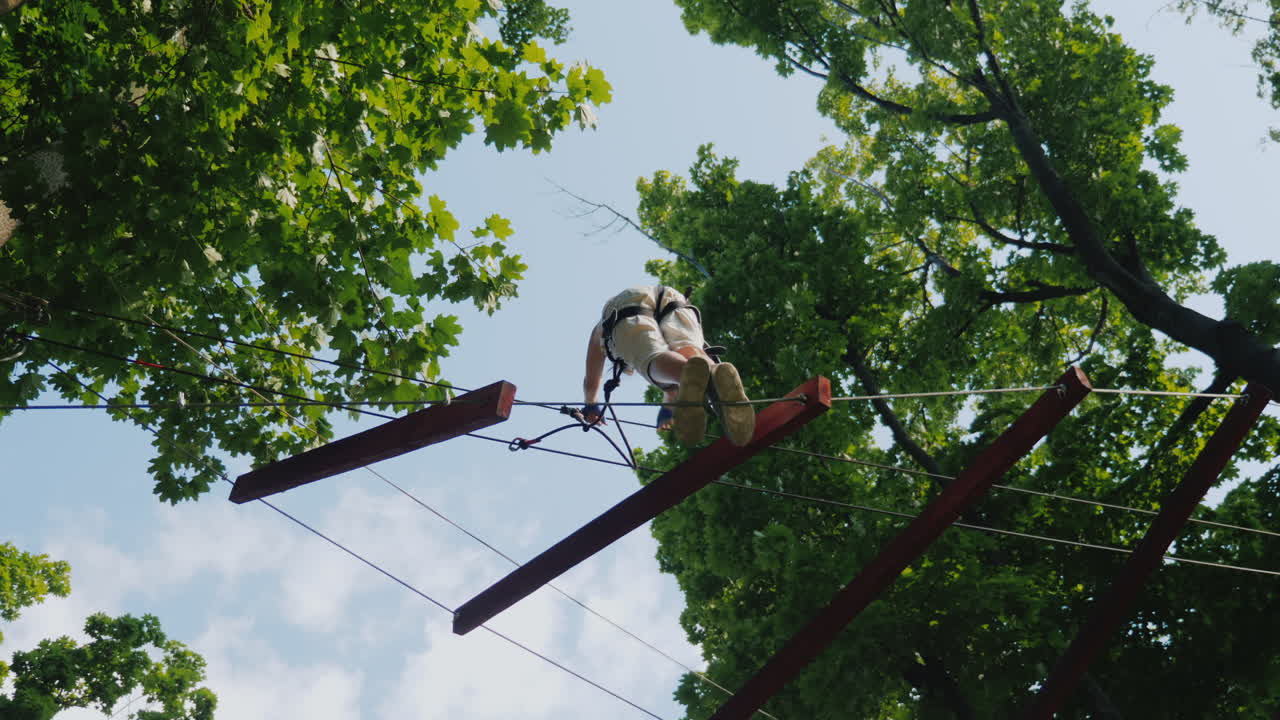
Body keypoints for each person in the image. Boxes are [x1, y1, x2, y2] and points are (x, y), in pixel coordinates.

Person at [581, 286, 755, 447]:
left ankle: (686, 372)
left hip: (620, 311)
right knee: (691, 351)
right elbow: (676, 389)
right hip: (671, 296)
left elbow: (591, 381)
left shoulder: (601, 331)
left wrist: (591, 403)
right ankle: (715, 372)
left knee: (652, 359)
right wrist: (666, 409)